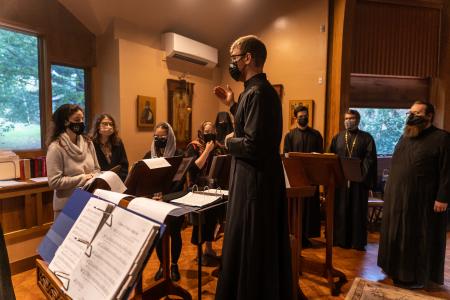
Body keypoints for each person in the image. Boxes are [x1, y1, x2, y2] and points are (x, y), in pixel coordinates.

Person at [213, 35, 292, 300]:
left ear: (248, 58)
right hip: (251, 180)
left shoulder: (258, 93)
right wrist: (233, 105)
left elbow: (253, 144)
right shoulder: (255, 92)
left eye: (234, 57)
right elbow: (251, 126)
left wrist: (227, 141)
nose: (232, 63)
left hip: (254, 185)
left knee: (252, 244)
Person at [377, 101, 450, 289]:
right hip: (398, 197)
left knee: (417, 237)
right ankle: (395, 271)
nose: (412, 115)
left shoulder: (442, 138)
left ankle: (415, 277)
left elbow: (447, 171)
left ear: (429, 116)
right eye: (410, 112)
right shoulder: (405, 136)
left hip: (422, 200)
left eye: (417, 113)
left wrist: (442, 197)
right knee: (397, 234)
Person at [329, 109, 377, 251]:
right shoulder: (337, 137)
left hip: (358, 183)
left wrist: (360, 176)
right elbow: (331, 157)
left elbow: (370, 160)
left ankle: (357, 242)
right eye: (346, 118)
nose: (348, 121)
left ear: (358, 120)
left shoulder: (367, 138)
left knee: (357, 211)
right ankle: (340, 240)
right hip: (341, 182)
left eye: (351, 118)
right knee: (341, 210)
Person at [143, 122, 184, 282]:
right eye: (156, 137)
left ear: (170, 137)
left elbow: (180, 182)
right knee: (159, 236)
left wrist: (166, 197)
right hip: (155, 202)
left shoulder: (178, 154)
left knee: (175, 234)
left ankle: (174, 265)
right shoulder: (149, 154)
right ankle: (162, 265)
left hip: (173, 200)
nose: (159, 139)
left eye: (163, 137)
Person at [46, 104, 100, 219]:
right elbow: (54, 182)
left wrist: (95, 176)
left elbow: (97, 169)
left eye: (82, 119)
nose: (81, 123)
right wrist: (83, 178)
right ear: (65, 122)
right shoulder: (56, 147)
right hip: (66, 206)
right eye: (77, 120)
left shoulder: (88, 143)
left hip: (88, 202)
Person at [185, 121, 226, 265]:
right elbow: (195, 167)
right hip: (198, 188)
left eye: (212, 130)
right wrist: (207, 150)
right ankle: (199, 252)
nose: (210, 133)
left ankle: (208, 248)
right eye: (207, 131)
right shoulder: (194, 146)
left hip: (214, 188)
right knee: (200, 223)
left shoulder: (219, 146)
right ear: (202, 132)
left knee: (212, 220)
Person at [284, 105, 323, 247]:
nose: (303, 118)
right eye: (300, 116)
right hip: (296, 179)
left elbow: (321, 155)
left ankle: (307, 236)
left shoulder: (316, 135)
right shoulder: (289, 136)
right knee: (296, 208)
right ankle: (295, 235)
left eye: (305, 115)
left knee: (310, 208)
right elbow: (286, 156)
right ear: (296, 118)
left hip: (312, 178)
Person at [91, 114, 129, 181]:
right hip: (98, 181)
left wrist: (117, 179)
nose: (109, 126)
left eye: (111, 124)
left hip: (117, 180)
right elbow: (91, 167)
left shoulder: (118, 142)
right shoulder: (91, 143)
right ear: (98, 126)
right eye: (105, 124)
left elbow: (124, 165)